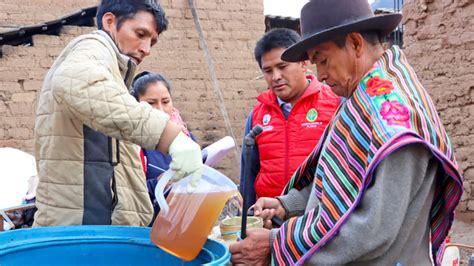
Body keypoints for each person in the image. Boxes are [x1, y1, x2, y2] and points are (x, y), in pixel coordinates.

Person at [229, 0, 463, 265]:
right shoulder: (361, 100)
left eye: (323, 60)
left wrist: (276, 243)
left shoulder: (393, 116)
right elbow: (340, 182)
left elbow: (373, 229)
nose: (321, 75)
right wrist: (289, 204)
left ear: (355, 43)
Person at [33, 0, 203, 227]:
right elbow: (74, 81)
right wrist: (168, 135)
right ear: (110, 21)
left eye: (151, 41)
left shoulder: (112, 70)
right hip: (83, 231)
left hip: (99, 227)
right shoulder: (92, 47)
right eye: (140, 34)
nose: (146, 49)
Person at [239, 28, 339, 207]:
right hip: (269, 220)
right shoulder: (257, 116)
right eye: (268, 71)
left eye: (282, 66)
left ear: (303, 63)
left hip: (315, 219)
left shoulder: (334, 105)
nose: (276, 77)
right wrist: (247, 217)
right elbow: (249, 173)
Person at [130, 71, 197, 221]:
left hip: (183, 221)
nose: (160, 109)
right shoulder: (130, 144)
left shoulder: (185, 137)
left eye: (165, 102)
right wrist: (157, 184)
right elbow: (125, 194)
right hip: (146, 226)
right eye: (151, 103)